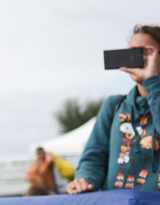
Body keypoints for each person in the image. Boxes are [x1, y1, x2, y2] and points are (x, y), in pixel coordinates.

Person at [68, 25, 160, 194]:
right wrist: (86, 180)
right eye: (132, 53)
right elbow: (94, 156)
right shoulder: (114, 105)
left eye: (145, 53)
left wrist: (153, 82)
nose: (137, 59)